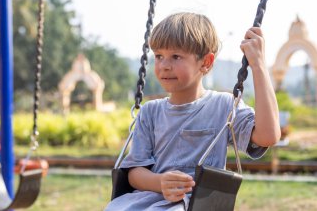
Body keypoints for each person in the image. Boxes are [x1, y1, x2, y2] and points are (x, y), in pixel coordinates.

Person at [105, 12, 280, 211]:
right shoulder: (150, 112)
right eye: (159, 56)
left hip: (197, 203)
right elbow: (134, 173)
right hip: (148, 200)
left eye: (176, 56)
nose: (164, 66)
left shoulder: (222, 106)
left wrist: (258, 65)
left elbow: (268, 136)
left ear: (205, 62)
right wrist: (159, 182)